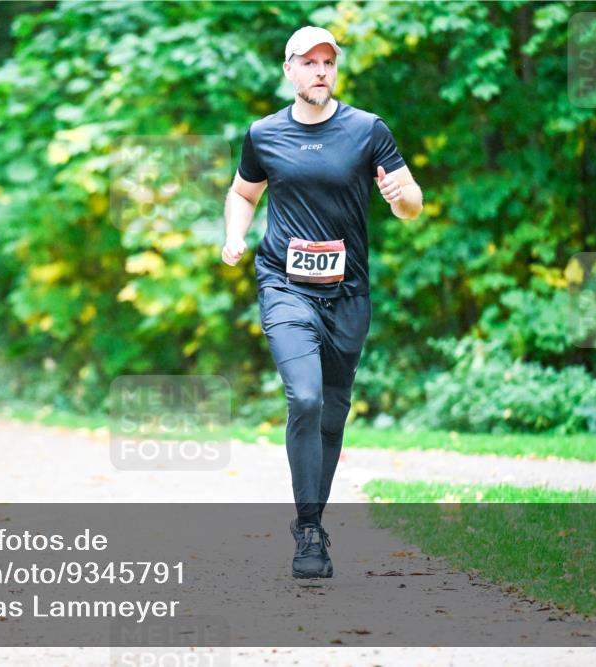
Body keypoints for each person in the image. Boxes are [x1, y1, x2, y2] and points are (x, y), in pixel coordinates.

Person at [221, 26, 423, 579]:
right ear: (289, 70)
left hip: (348, 292)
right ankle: (308, 529)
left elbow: (412, 203)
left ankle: (314, 516)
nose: (319, 71)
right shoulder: (264, 135)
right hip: (285, 285)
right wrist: (235, 235)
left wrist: (399, 197)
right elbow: (243, 192)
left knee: (333, 410)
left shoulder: (366, 130)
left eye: (327, 62)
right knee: (305, 399)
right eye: (308, 62)